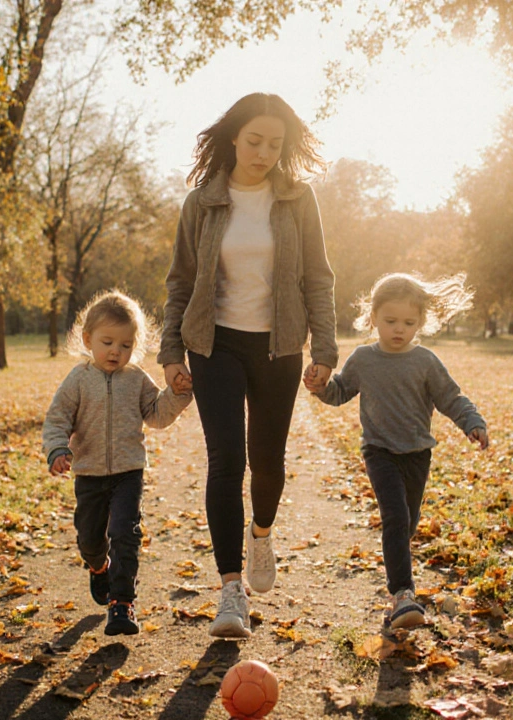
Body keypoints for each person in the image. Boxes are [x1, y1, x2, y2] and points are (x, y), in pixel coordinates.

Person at [159, 93, 338, 638]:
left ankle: (261, 534)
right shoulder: (202, 203)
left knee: (267, 460)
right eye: (255, 140)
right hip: (214, 344)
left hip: (278, 345)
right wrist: (170, 352)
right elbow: (180, 283)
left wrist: (324, 351)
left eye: (275, 144)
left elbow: (318, 279)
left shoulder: (298, 199)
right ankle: (230, 590)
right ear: (234, 137)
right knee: (225, 460)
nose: (264, 153)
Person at [304, 272, 489, 630]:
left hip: (417, 454)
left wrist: (472, 422)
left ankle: (398, 567)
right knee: (395, 517)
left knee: (407, 523)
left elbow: (451, 398)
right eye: (390, 321)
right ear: (373, 319)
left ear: (421, 322)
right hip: (379, 451)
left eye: (409, 322)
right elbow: (340, 391)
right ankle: (402, 595)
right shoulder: (363, 359)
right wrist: (320, 387)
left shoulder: (426, 362)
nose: (399, 329)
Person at [43, 290, 193, 636]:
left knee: (125, 533)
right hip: (89, 473)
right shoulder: (78, 380)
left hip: (128, 472)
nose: (116, 351)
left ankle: (122, 603)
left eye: (125, 345)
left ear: (135, 347)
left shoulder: (136, 379)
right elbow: (57, 419)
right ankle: (99, 567)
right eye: (108, 342)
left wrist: (179, 394)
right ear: (87, 340)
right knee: (90, 539)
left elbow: (156, 415)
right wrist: (57, 449)